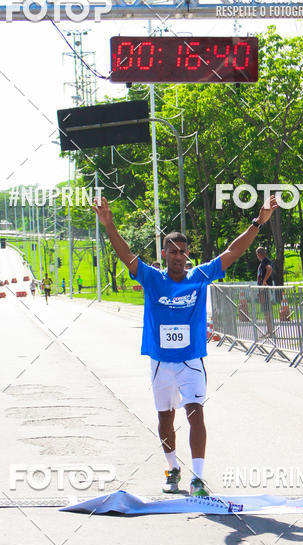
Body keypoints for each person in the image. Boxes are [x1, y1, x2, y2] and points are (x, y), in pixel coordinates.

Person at [94, 195, 279, 496]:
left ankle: (198, 477)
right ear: (164, 254)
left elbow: (233, 251)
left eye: (183, 252)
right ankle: (172, 469)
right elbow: (125, 254)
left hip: (191, 361)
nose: (178, 256)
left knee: (196, 413)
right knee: (165, 418)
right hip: (160, 363)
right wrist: (109, 225)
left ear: (188, 255)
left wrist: (258, 221)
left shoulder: (199, 276)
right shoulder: (152, 278)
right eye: (173, 252)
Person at [256, 246, 274, 338]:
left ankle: (270, 331)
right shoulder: (263, 262)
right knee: (266, 311)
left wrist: (264, 281)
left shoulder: (265, 262)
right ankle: (269, 330)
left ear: (259, 254)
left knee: (267, 311)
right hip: (263, 290)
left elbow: (269, 269)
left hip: (265, 290)